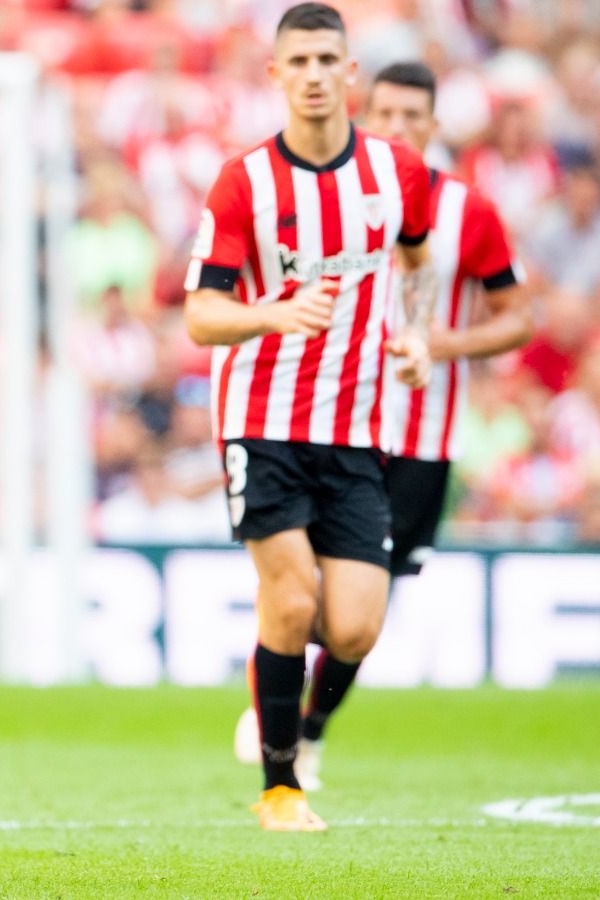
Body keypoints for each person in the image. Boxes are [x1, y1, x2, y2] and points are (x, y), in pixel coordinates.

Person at [233, 59, 534, 789]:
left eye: (413, 118)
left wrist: (439, 342)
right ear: (367, 115)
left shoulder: (471, 213)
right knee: (301, 594)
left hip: (421, 437)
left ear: (433, 128)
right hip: (326, 423)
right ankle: (277, 700)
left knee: (362, 615)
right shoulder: (323, 195)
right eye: (387, 116)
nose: (398, 129)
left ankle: (309, 729)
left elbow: (518, 316)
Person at [183, 3, 436, 832]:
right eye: (300, 62)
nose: (316, 75)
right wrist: (274, 313)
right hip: (262, 422)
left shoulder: (396, 174)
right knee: (290, 601)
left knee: (357, 627)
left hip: (359, 429)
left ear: (351, 72)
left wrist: (416, 335)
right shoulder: (244, 180)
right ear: (277, 76)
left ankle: (278, 695)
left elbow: (419, 257)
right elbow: (201, 315)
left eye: (330, 59)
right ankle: (281, 785)